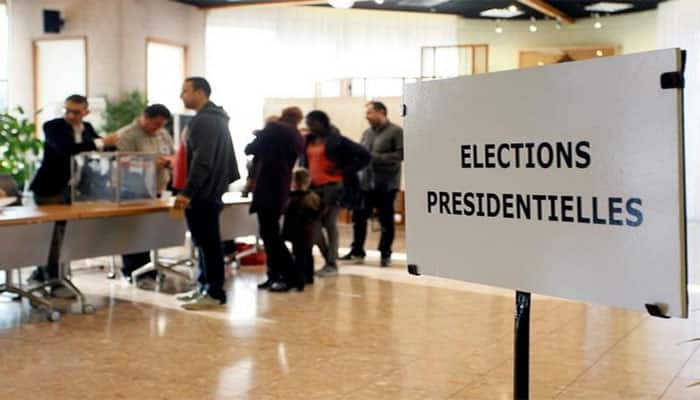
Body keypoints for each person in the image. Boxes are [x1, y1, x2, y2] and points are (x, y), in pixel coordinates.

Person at [28, 94, 120, 297]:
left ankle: (44, 274)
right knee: (51, 238)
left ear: (86, 112)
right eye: (67, 110)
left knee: (63, 236)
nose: (70, 115)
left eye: (76, 112)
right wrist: (99, 143)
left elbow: (102, 147)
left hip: (74, 191)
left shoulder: (87, 129)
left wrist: (111, 145)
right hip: (49, 190)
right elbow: (64, 149)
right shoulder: (53, 126)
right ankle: (54, 280)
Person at [174, 77, 240, 310]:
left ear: (201, 93)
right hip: (210, 190)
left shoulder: (205, 121)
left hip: (203, 193)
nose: (181, 95)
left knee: (209, 243)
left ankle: (214, 291)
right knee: (204, 243)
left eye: (185, 91)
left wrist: (188, 192)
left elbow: (203, 160)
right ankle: (204, 286)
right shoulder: (214, 119)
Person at [301, 110, 370, 277]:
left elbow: (364, 155)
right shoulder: (308, 140)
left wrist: (346, 170)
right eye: (308, 123)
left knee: (330, 224)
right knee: (314, 227)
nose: (310, 126)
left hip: (334, 188)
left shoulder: (337, 140)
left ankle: (331, 263)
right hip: (313, 189)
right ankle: (329, 260)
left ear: (323, 122)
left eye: (313, 123)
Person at [245, 107, 304, 292]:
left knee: (270, 237)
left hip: (267, 187)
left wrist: (260, 134)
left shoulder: (274, 129)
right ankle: (275, 275)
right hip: (280, 188)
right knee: (271, 234)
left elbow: (250, 149)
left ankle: (290, 275)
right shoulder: (297, 135)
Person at [115, 104, 174, 287]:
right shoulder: (127, 135)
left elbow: (172, 153)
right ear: (145, 117)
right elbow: (121, 162)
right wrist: (150, 163)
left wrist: (168, 162)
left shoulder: (162, 134)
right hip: (133, 190)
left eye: (162, 125)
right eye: (155, 124)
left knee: (148, 231)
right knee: (133, 233)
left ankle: (148, 268)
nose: (158, 128)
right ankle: (132, 270)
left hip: (157, 188)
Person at [340, 101, 403, 267]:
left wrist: (373, 157)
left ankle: (385, 254)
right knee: (359, 219)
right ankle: (357, 251)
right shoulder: (367, 133)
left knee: (386, 222)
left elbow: (400, 155)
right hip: (365, 184)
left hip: (386, 185)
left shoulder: (396, 132)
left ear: (381, 112)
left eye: (369, 113)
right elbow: (361, 154)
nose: (366, 117)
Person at [282, 168, 323, 288]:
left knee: (299, 256)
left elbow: (290, 216)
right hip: (310, 232)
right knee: (308, 254)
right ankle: (309, 277)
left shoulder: (293, 199)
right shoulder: (313, 197)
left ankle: (300, 281)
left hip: (297, 232)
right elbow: (321, 210)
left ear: (294, 182)